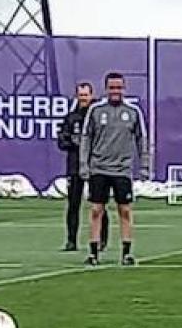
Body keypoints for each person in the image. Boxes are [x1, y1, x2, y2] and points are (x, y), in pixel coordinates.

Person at [80, 72, 149, 266]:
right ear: (106, 89)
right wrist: (84, 166)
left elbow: (141, 139)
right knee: (96, 210)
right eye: (112, 88)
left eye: (118, 88)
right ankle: (93, 252)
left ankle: (126, 252)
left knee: (125, 211)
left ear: (124, 89)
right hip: (99, 169)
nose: (115, 91)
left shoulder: (133, 112)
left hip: (122, 170)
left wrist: (144, 165)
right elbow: (86, 139)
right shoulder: (96, 110)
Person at [56, 82, 107, 252]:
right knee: (73, 204)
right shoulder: (71, 118)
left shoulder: (98, 116)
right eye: (81, 95)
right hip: (75, 166)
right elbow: (61, 141)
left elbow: (105, 140)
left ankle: (101, 240)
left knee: (98, 204)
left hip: (95, 166)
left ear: (92, 95)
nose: (83, 98)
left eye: (86, 95)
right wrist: (73, 142)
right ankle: (71, 241)